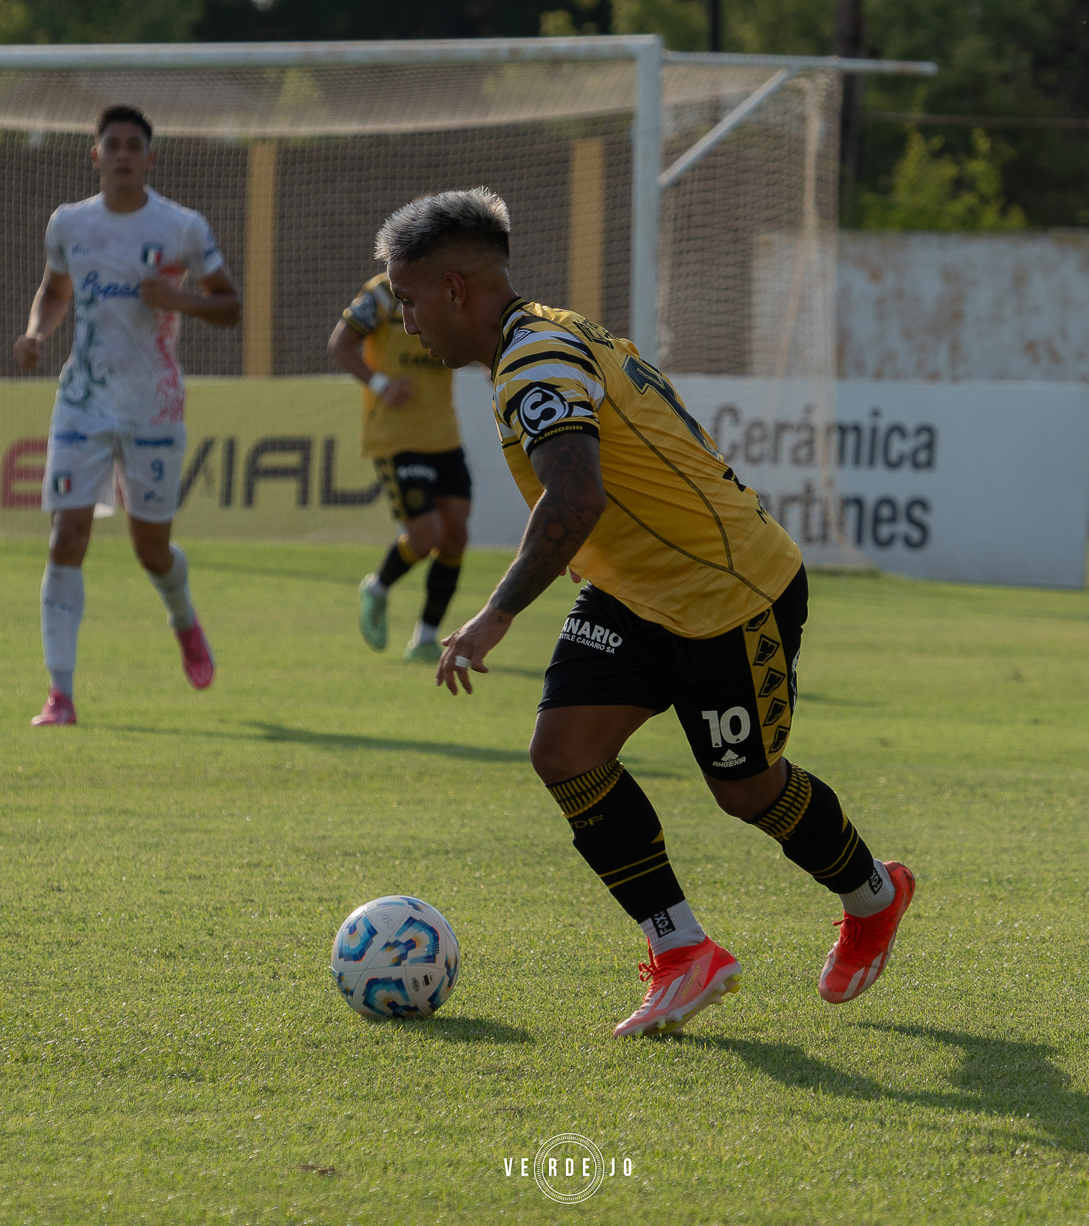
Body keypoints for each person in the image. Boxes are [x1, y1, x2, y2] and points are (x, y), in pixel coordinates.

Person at [374, 187, 917, 1038]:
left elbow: (576, 497)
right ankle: (682, 951)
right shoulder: (541, 338)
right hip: (636, 592)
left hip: (731, 596)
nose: (405, 322)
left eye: (407, 300)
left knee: (744, 791)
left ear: (454, 289)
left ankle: (873, 896)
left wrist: (495, 614)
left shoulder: (537, 360)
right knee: (564, 752)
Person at [13, 104, 240, 727]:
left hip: (154, 407)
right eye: (110, 144)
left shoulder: (182, 227)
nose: (121, 154)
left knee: (152, 550)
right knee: (66, 538)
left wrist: (178, 300)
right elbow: (55, 290)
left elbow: (231, 305)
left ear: (149, 157)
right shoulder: (70, 223)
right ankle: (59, 694)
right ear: (95, 156)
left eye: (132, 145)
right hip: (82, 401)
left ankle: (185, 621)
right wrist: (36, 332)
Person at [327, 271, 472, 663]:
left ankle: (425, 638)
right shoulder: (382, 293)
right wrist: (380, 385)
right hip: (396, 436)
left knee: (455, 536)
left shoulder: (455, 291)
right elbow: (340, 345)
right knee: (426, 536)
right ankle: (377, 587)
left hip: (443, 432)